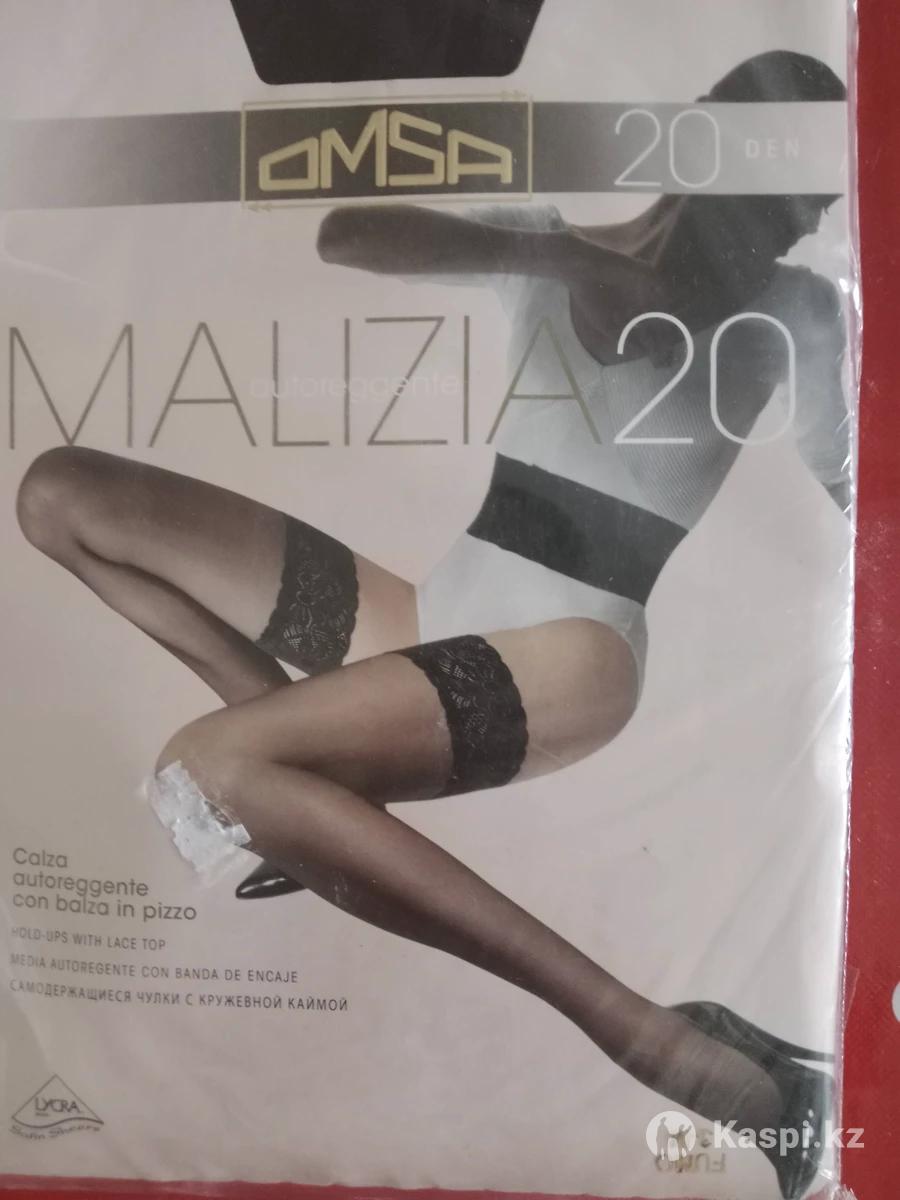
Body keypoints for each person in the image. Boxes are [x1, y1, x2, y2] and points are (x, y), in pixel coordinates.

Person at [15, 51, 848, 1200]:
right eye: (778, 195)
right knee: (60, 494)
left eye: (806, 211)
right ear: (697, 145)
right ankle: (305, 792)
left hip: (577, 654)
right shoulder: (546, 232)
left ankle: (650, 1033)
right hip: (435, 612)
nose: (789, 229)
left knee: (212, 768)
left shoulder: (792, 311)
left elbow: (857, 487)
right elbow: (347, 234)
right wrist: (567, 257)